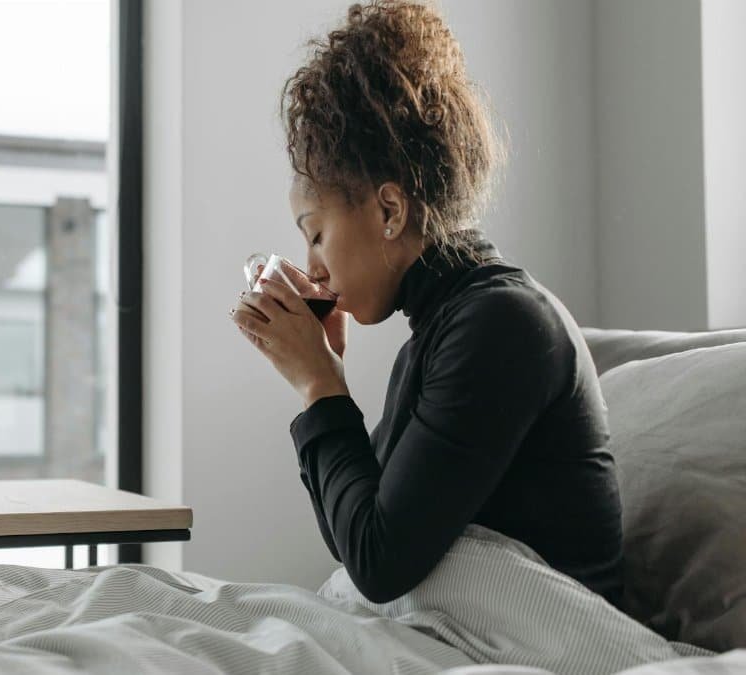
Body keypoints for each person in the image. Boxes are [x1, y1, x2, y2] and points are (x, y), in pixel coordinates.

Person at [230, 0, 623, 606]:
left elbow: (378, 563)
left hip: (540, 637)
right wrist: (325, 378)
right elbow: (356, 536)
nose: (313, 266)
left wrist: (320, 388)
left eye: (316, 234)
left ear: (389, 211)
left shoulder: (501, 325)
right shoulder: (443, 330)